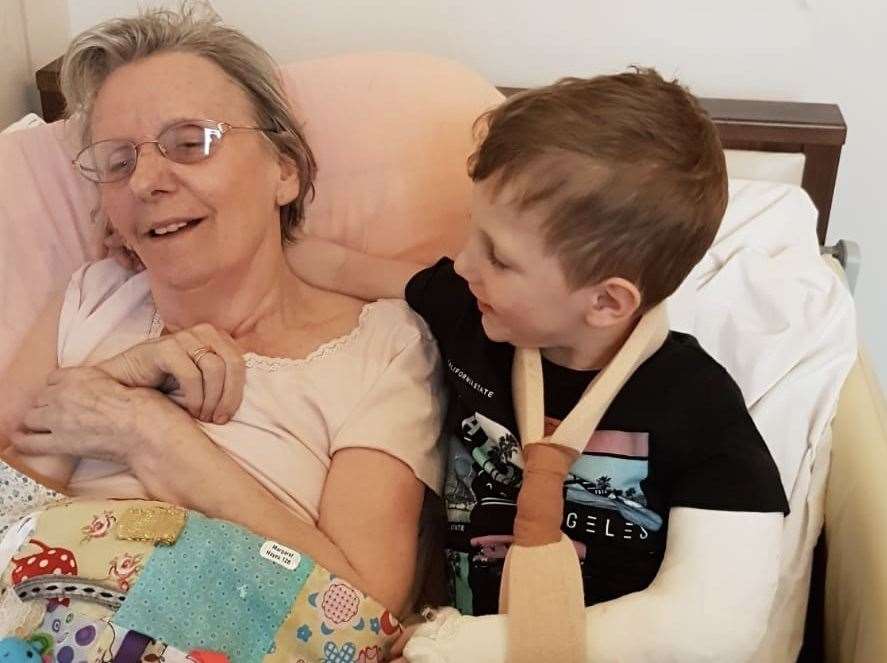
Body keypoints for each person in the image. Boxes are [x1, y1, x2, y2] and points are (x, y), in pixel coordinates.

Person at [287, 70, 790, 661]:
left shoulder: (698, 405)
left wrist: (487, 647)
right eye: (472, 233)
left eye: (499, 257)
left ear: (606, 302)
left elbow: (713, 625)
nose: (465, 263)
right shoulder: (470, 313)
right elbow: (342, 268)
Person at [0, 3, 445, 626]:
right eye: (118, 161)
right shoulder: (90, 297)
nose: (147, 181)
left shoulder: (384, 345)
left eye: (192, 142)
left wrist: (149, 432)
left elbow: (363, 615)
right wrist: (107, 380)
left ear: (283, 170)